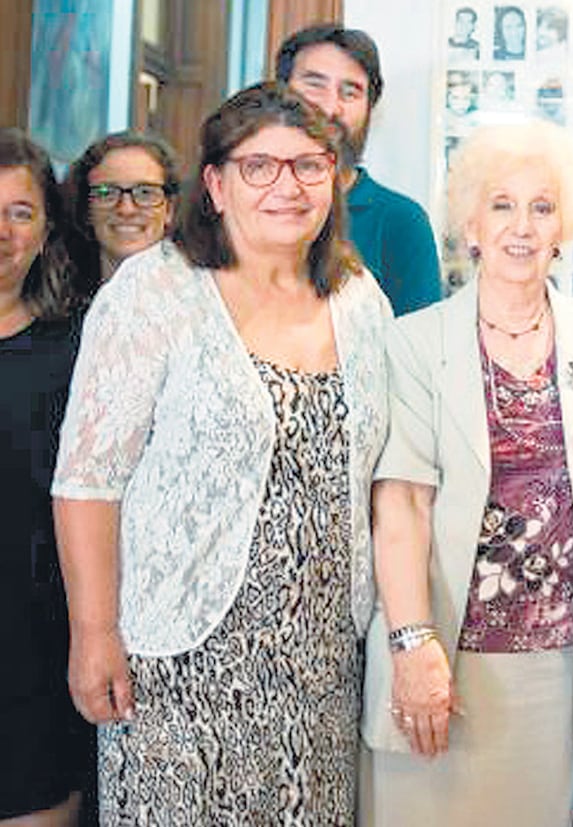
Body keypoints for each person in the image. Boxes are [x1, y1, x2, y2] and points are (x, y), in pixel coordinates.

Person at [52, 82, 392, 825]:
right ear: (215, 183)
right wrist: (95, 632)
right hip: (178, 654)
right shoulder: (157, 290)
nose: (287, 185)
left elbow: (383, 478)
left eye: (308, 166)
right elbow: (87, 479)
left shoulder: (360, 298)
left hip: (320, 661)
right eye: (258, 166)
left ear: (334, 179)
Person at [359, 119, 573, 826]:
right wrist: (413, 644)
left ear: (562, 223)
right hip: (440, 656)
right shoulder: (414, 341)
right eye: (502, 205)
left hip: (551, 667)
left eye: (541, 207)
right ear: (470, 222)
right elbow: (400, 507)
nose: (521, 226)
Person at [0, 129, 91, 827]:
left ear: (46, 228)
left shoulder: (79, 345)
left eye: (20, 211)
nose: (1, 230)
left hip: (35, 643)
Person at [276, 23, 441, 315]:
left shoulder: (402, 222)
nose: (330, 107)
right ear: (280, 91)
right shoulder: (248, 202)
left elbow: (418, 355)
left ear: (369, 108)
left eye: (349, 92)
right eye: (314, 84)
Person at [63, 130, 179, 291]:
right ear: (86, 209)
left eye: (145, 192)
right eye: (107, 193)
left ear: (169, 209)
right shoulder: (60, 308)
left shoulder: (200, 305)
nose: (126, 209)